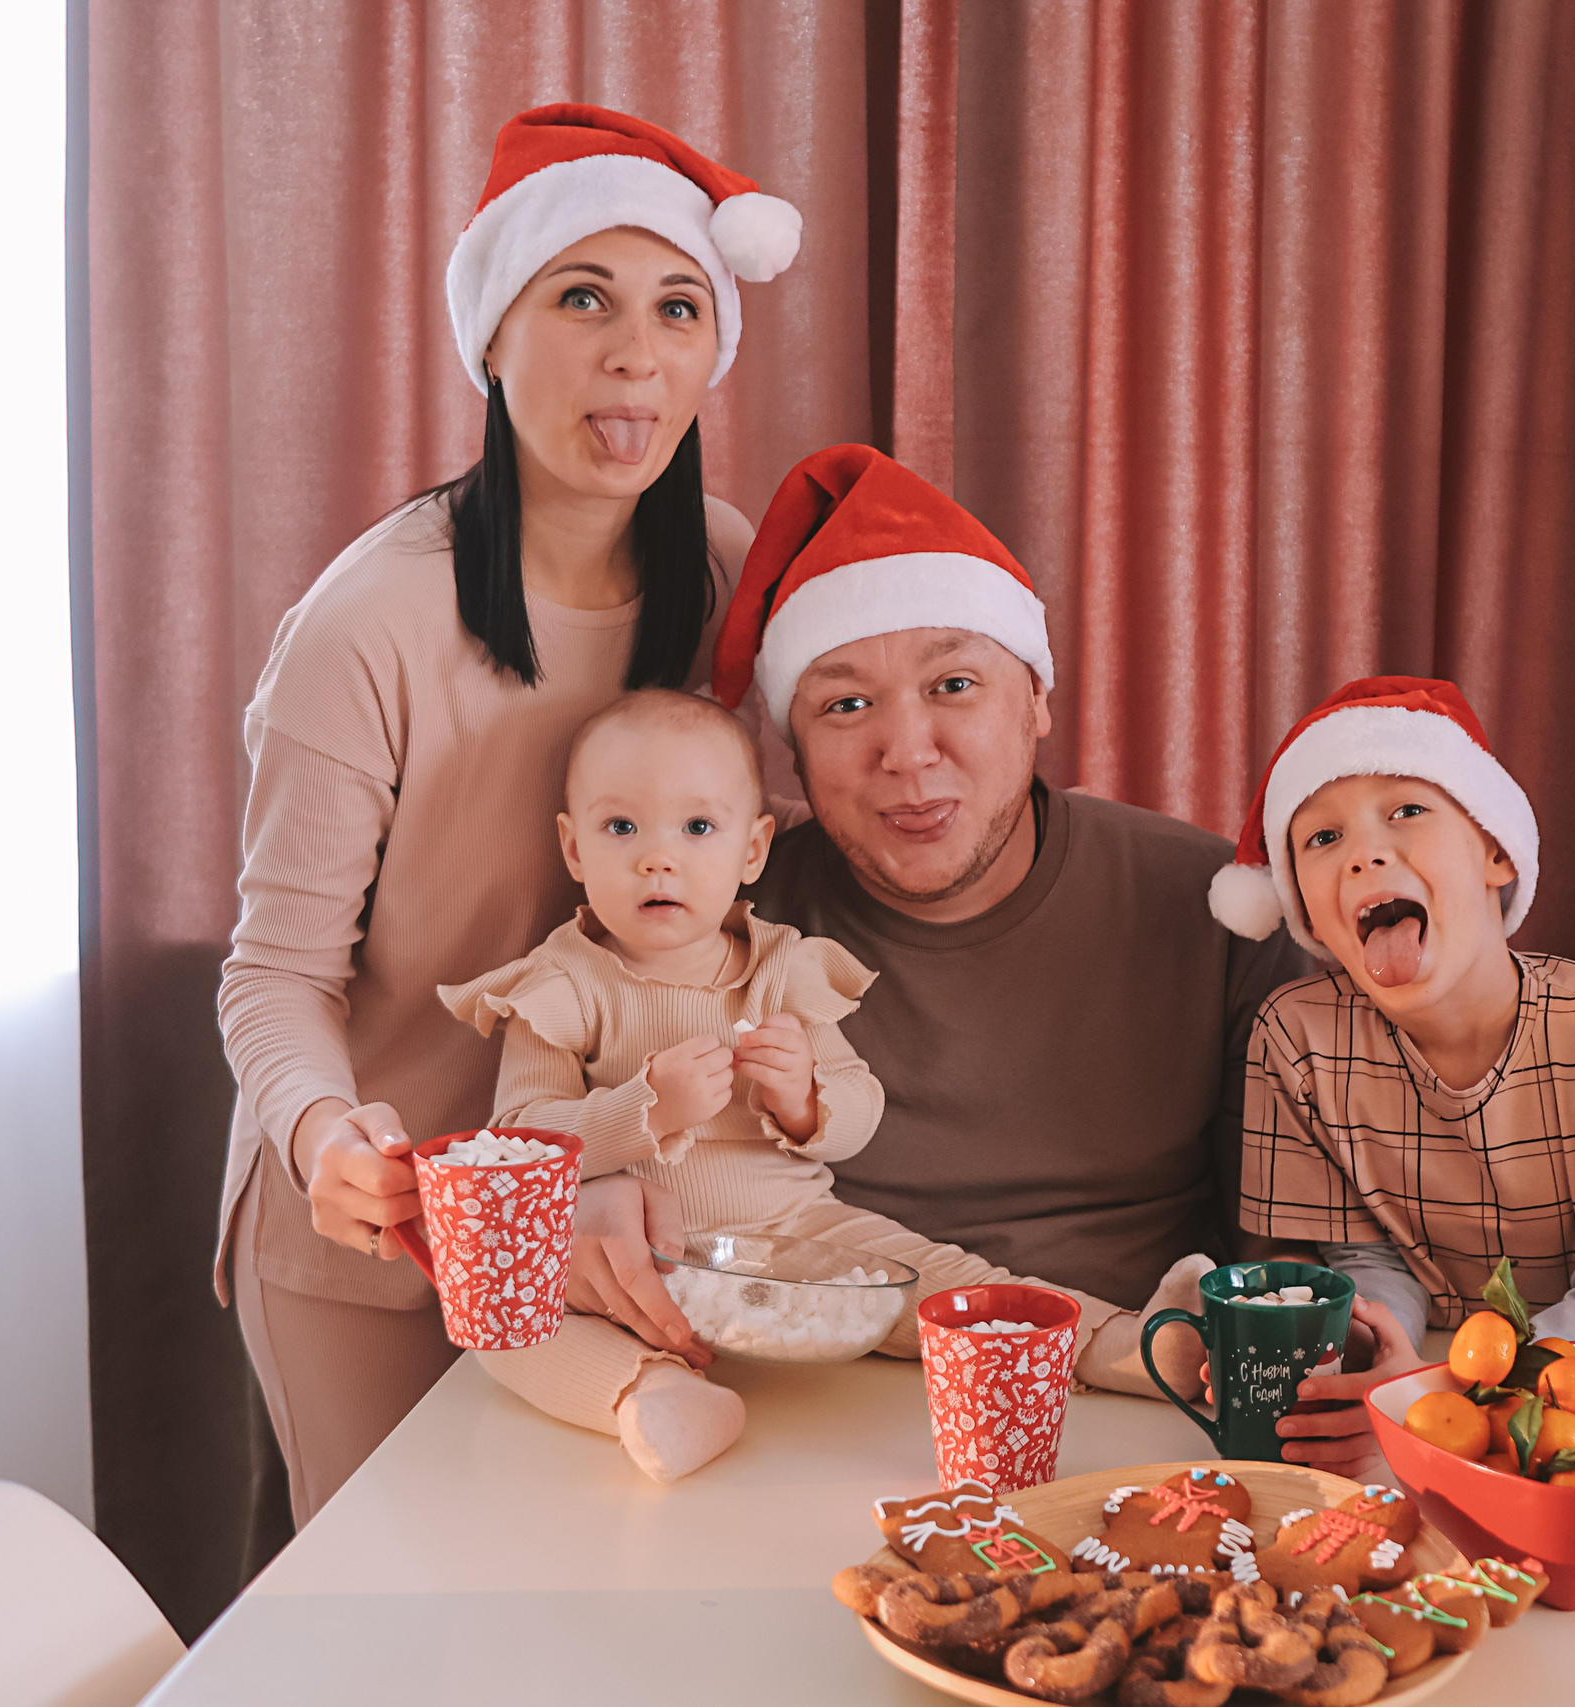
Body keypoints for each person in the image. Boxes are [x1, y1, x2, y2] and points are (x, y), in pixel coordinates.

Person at [215, 104, 807, 1523]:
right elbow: (277, 972)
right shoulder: (369, 625)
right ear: (492, 335)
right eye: (582, 298)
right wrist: (319, 1136)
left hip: (616, 1212)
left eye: (678, 308)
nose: (636, 352)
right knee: (390, 1626)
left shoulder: (731, 570)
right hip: (386, 1225)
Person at [437, 690, 1209, 1480]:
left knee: (941, 1278)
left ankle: (1131, 1344)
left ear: (752, 848)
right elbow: (519, 1143)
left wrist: (806, 1101)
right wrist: (644, 1109)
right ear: (572, 848)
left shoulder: (779, 967)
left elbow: (859, 1104)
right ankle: (649, 1392)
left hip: (792, 1229)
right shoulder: (564, 979)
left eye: (697, 828)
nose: (656, 857)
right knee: (496, 1315)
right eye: (621, 827)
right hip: (631, 1260)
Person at [714, 444, 1310, 1345]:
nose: (908, 752)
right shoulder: (720, 927)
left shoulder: (1218, 910)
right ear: (789, 745)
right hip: (822, 1384)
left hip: (1149, 1386)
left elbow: (1293, 1264)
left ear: (1035, 696)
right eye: (844, 706)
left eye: (954, 685)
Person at [1207, 675, 1575, 1472]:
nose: (1364, 852)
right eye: (1321, 839)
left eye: (1406, 810)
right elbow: (1366, 1263)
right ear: (1308, 914)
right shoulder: (1295, 1038)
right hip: (1409, 1406)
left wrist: (1434, 1401)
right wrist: (1339, 1359)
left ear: (1497, 851)